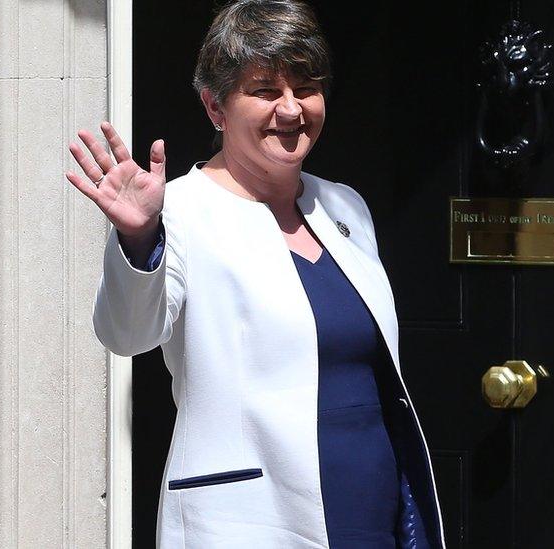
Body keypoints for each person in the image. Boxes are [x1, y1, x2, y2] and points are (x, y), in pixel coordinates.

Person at [65, 1, 443, 546]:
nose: (291, 109)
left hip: (372, 512)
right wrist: (139, 237)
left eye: (305, 87)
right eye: (266, 91)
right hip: (250, 521)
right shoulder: (181, 210)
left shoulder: (345, 207)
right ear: (215, 108)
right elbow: (127, 335)